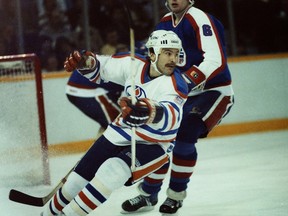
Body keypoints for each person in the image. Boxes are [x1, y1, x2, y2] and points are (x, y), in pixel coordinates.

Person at [41, 30, 188, 216]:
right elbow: (102, 67)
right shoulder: (133, 64)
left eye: (176, 53)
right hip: (118, 132)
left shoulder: (176, 83)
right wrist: (86, 62)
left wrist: (150, 111)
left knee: (111, 173)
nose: (173, 59)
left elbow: (172, 115)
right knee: (74, 183)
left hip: (154, 144)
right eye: (168, 53)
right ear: (152, 53)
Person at [121, 0, 234, 214]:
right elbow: (155, 59)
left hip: (213, 92)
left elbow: (215, 60)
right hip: (180, 93)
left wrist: (185, 82)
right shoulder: (164, 23)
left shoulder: (199, 18)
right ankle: (148, 195)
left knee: (184, 133)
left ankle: (175, 196)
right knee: (159, 138)